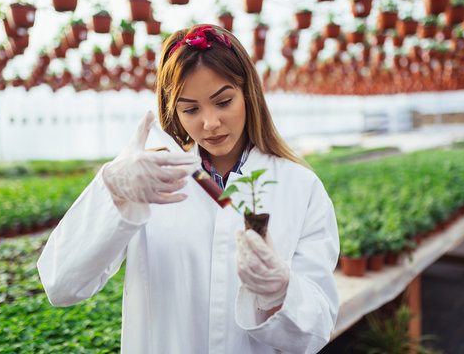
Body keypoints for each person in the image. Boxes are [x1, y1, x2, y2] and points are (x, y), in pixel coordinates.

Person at [37, 24, 339, 354]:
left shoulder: (300, 187)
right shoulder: (149, 181)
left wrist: (281, 292)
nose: (209, 123)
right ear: (174, 111)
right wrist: (113, 192)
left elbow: (316, 331)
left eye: (223, 101)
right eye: (191, 109)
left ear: (248, 93)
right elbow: (61, 284)